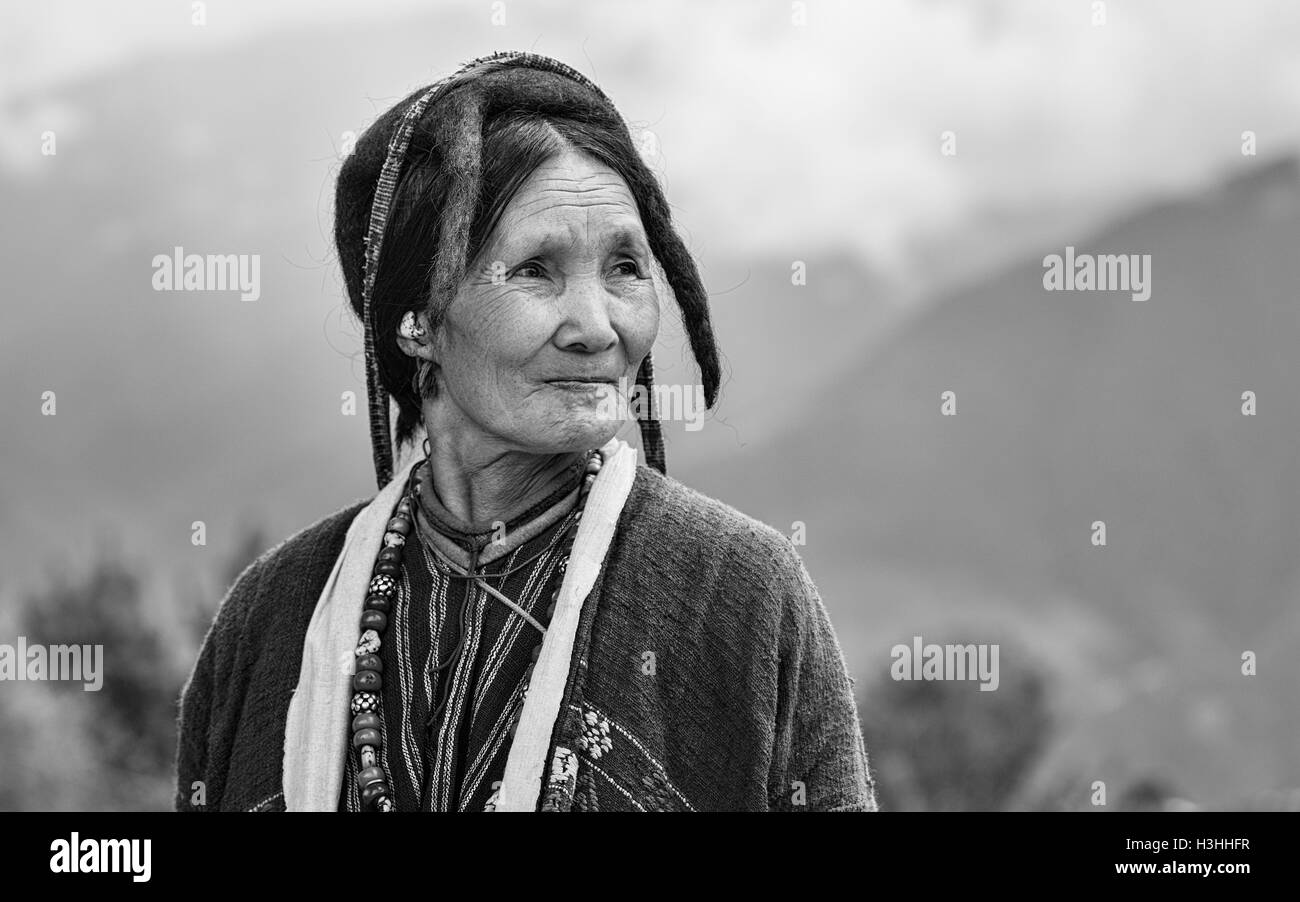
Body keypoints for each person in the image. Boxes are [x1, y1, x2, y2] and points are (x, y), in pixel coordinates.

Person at [175, 50, 876, 812]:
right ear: (416, 321)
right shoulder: (275, 616)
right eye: (537, 270)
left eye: (625, 268)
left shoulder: (737, 594)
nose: (597, 326)